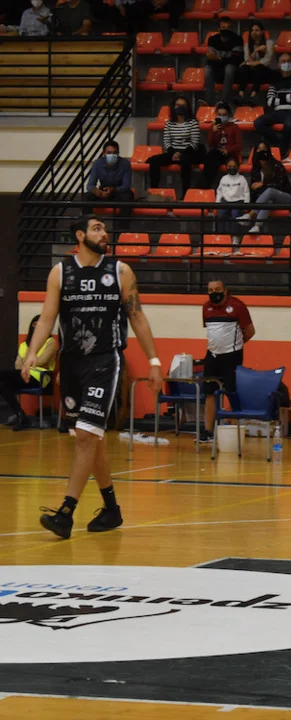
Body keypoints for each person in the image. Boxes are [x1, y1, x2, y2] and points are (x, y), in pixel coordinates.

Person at [27, 215, 163, 539]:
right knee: (92, 439)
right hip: (72, 364)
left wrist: (154, 361)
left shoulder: (120, 271)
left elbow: (137, 316)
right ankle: (111, 509)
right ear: (80, 235)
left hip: (105, 361)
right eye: (97, 228)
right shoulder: (61, 273)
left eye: (105, 229)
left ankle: (66, 513)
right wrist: (33, 352)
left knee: (87, 437)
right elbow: (47, 318)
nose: (105, 233)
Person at [200, 279, 255, 443]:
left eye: (217, 289)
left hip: (232, 355)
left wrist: (235, 345)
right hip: (212, 355)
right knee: (209, 392)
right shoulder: (206, 308)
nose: (214, 293)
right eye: (210, 290)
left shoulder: (237, 306)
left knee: (232, 391)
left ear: (225, 290)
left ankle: (234, 430)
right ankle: (208, 431)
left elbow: (250, 331)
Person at [1, 315, 57, 431]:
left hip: (40, 377)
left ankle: (21, 417)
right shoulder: (23, 345)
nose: (36, 327)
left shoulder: (50, 342)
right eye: (34, 324)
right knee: (2, 382)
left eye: (39, 324)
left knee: (4, 379)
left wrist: (26, 361)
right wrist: (30, 361)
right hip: (23, 375)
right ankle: (20, 415)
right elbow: (17, 364)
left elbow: (42, 361)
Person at [147, 97, 203, 196]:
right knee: (154, 160)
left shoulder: (193, 123)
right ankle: (154, 191)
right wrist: (174, 153)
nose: (180, 107)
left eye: (183, 105)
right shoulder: (169, 123)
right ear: (173, 107)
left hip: (188, 152)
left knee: (185, 161)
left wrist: (180, 153)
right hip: (173, 152)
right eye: (178, 105)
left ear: (187, 108)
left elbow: (194, 143)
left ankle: (185, 193)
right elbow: (167, 142)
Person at [239, 143, 291, 235]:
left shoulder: (277, 165)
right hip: (267, 199)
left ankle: (250, 215)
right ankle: (257, 226)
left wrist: (263, 184)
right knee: (268, 202)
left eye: (264, 149)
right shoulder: (256, 169)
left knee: (270, 191)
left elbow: (279, 185)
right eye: (259, 149)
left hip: (285, 197)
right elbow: (255, 189)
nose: (261, 151)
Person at [255, 53, 291, 156]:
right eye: (283, 61)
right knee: (258, 123)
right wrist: (290, 96)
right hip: (278, 112)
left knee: (289, 126)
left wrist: (279, 97)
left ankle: (281, 150)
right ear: (278, 64)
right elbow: (270, 101)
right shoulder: (274, 80)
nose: (286, 63)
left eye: (289, 61)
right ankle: (280, 141)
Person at [84, 140, 134, 222]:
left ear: (118, 153)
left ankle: (123, 226)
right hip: (102, 193)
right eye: (109, 153)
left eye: (115, 153)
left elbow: (126, 185)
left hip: (118, 192)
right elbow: (90, 185)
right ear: (104, 153)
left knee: (128, 196)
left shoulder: (125, 163)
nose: (112, 155)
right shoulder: (97, 163)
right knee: (86, 197)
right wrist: (97, 191)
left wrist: (112, 189)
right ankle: (88, 224)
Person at [202, 15, 244, 108]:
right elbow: (210, 58)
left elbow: (235, 59)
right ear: (219, 29)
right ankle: (209, 101)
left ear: (231, 28)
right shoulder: (212, 40)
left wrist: (218, 59)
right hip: (217, 70)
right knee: (208, 69)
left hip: (233, 72)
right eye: (223, 27)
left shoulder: (238, 39)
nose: (226, 29)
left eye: (228, 27)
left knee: (229, 68)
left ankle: (223, 102)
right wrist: (221, 59)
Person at [202, 102, 242, 191]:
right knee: (211, 156)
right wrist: (213, 132)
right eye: (220, 115)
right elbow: (210, 144)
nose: (222, 117)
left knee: (219, 160)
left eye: (224, 115)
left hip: (230, 154)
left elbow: (239, 145)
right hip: (218, 154)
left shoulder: (234, 127)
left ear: (228, 115)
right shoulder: (213, 127)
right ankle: (204, 187)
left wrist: (228, 149)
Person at [235, 21, 275, 107]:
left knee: (259, 68)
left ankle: (253, 95)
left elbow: (266, 61)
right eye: (252, 30)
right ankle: (240, 94)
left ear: (262, 32)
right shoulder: (247, 45)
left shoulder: (269, 43)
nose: (254, 32)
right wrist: (255, 51)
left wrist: (252, 63)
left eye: (257, 30)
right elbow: (247, 60)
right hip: (253, 71)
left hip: (266, 71)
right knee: (244, 69)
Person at [215, 156, 249, 243]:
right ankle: (221, 236)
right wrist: (217, 203)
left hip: (238, 201)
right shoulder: (224, 179)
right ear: (226, 167)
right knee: (221, 214)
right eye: (230, 166)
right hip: (226, 201)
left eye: (234, 166)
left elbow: (246, 192)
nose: (232, 168)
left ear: (238, 167)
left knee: (235, 214)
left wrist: (246, 204)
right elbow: (219, 191)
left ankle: (235, 236)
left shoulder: (242, 179)